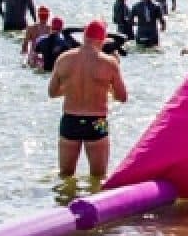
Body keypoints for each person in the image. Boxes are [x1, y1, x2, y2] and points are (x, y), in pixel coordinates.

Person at [49, 22, 129, 178]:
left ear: (84, 37)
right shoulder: (109, 63)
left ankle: (65, 202)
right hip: (96, 121)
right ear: (102, 39)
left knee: (65, 175)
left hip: (70, 120)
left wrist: (71, 88)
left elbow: (52, 92)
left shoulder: (63, 58)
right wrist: (105, 88)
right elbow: (122, 97)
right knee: (98, 178)